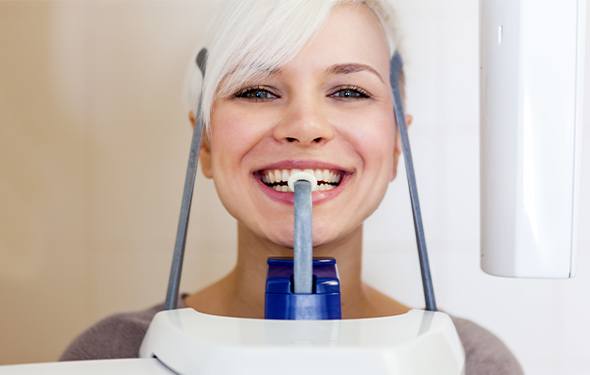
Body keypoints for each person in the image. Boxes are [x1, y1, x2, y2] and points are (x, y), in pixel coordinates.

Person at [60, 1, 523, 374]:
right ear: (203, 143)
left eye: (349, 91)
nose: (305, 126)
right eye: (257, 91)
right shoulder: (110, 355)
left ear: (398, 144)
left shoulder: (471, 362)